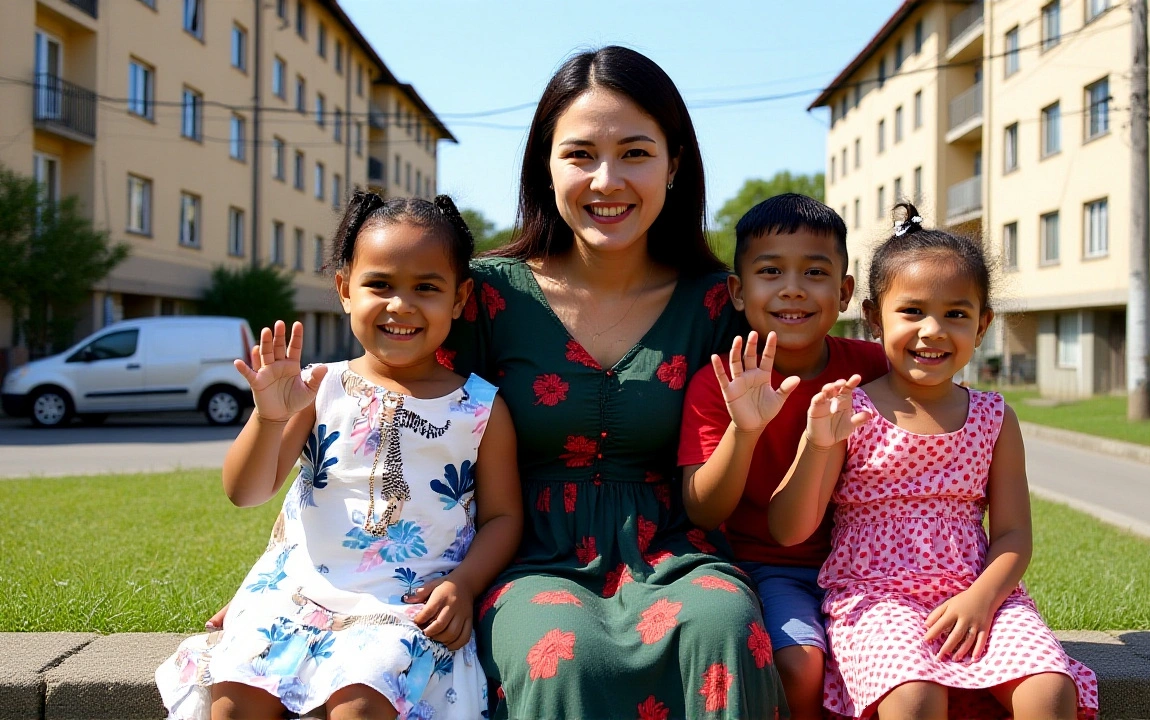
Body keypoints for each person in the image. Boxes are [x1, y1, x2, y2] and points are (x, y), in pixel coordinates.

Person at [437, 46, 787, 718]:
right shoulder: (482, 294)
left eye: (634, 152)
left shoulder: (720, 303)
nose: (607, 180)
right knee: (559, 648)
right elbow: (399, 421)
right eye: (580, 155)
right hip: (525, 557)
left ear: (674, 164)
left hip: (677, 554)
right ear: (546, 164)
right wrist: (310, 578)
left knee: (724, 625)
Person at [159, 193, 523, 720]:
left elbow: (503, 516)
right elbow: (246, 492)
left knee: (360, 704)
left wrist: (463, 585)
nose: (401, 306)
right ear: (344, 289)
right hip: (297, 594)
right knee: (236, 701)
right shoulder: (318, 387)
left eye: (427, 287)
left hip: (405, 604)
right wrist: (270, 417)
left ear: (461, 298)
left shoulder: (480, 408)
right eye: (380, 285)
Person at [769, 203, 1099, 720]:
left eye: (957, 314)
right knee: (915, 696)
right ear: (875, 318)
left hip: (977, 591)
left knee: (1049, 690)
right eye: (912, 311)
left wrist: (982, 599)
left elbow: (1013, 535)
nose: (933, 331)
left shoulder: (994, 418)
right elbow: (789, 529)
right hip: (876, 599)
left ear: (983, 324)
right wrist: (816, 442)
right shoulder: (850, 410)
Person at [677, 193, 887, 720]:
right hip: (770, 567)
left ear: (843, 293)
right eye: (770, 271)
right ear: (738, 292)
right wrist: (745, 431)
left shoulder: (875, 369)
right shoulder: (719, 383)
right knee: (801, 662)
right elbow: (703, 510)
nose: (793, 288)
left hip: (871, 566)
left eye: (814, 273)